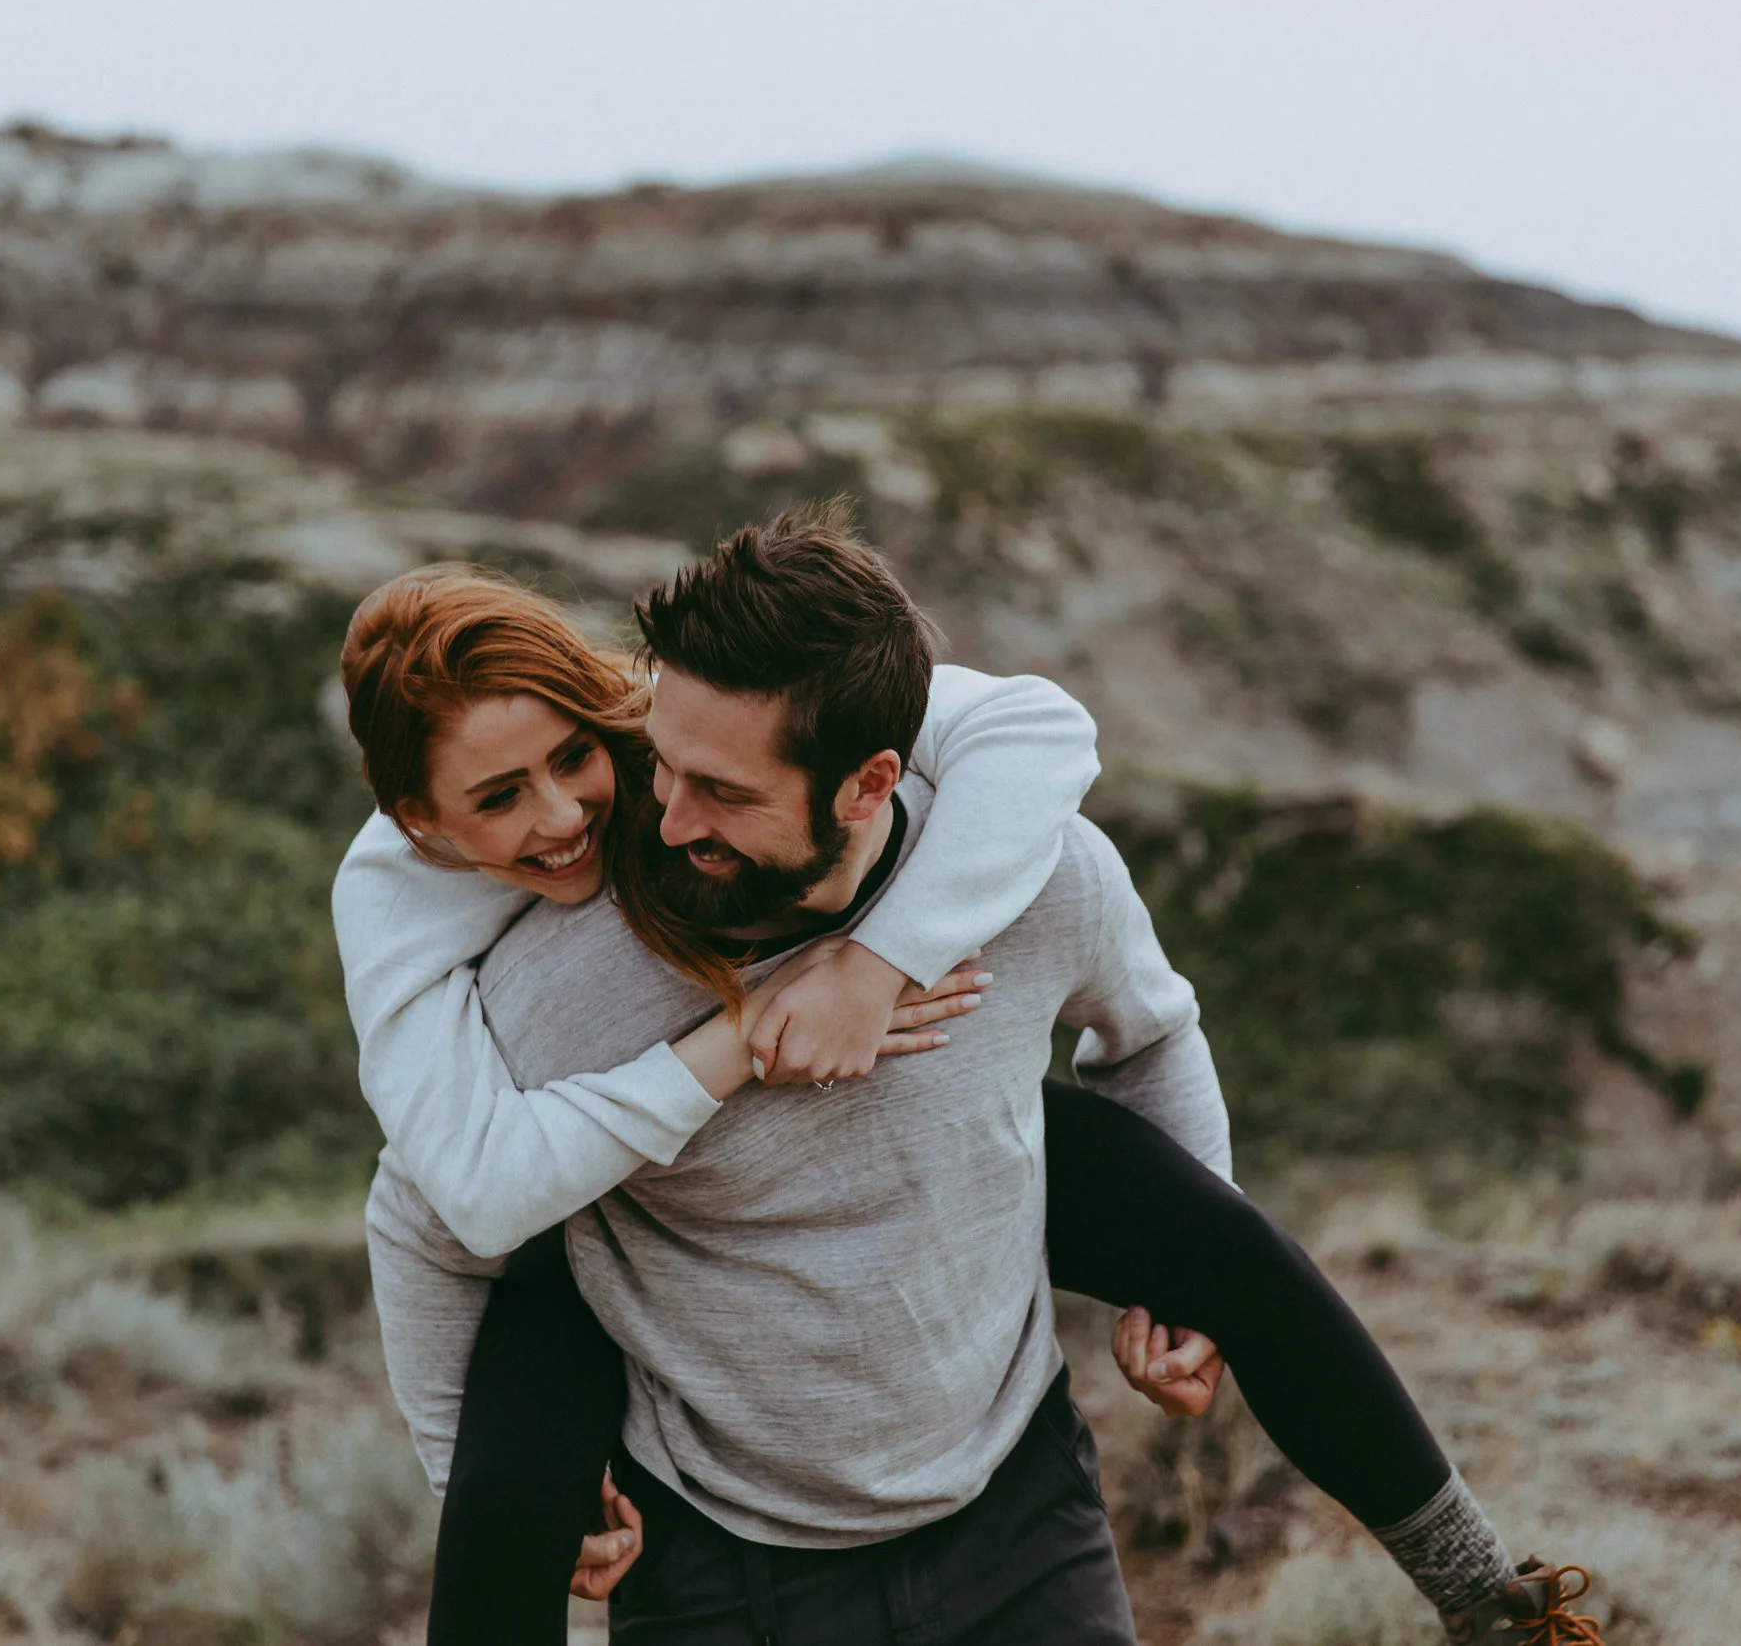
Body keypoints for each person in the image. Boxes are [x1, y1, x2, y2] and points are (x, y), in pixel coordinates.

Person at [338, 514, 1598, 1643]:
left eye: (718, 789)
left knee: (1093, 1155)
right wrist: (484, 1486)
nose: (652, 821)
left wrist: (1184, 1276)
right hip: (726, 1562)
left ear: (871, 778)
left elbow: (1149, 1034)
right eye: (660, 765)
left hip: (1016, 1512)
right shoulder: (564, 978)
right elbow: (429, 1210)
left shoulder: (1037, 879)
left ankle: (1494, 1605)